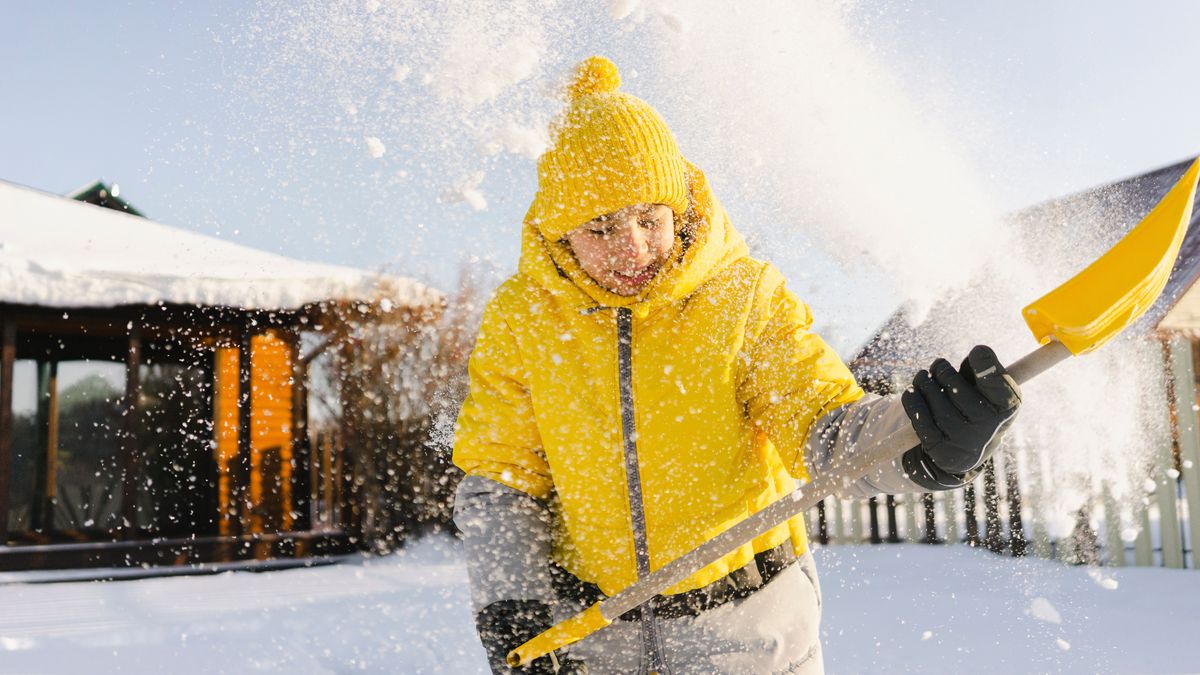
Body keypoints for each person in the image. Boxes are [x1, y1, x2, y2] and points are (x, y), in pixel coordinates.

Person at [452, 56, 1020, 675]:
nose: (633, 246)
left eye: (649, 218)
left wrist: (920, 445)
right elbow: (502, 479)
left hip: (751, 640)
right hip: (594, 644)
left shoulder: (741, 299)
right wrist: (512, 601)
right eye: (600, 226)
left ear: (678, 208)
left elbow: (826, 429)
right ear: (561, 234)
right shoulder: (523, 319)